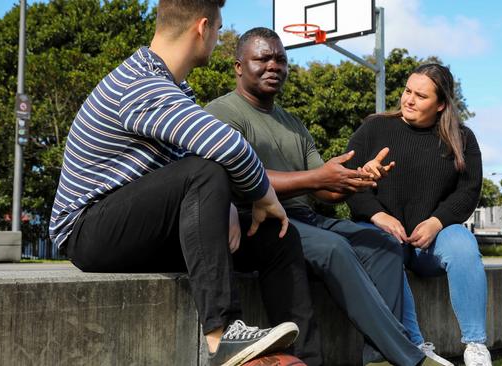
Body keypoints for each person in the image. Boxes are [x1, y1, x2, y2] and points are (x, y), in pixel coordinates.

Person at [48, 1, 316, 365]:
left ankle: (300, 359)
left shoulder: (175, 89)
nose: (219, 38)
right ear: (202, 28)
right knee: (205, 170)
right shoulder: (140, 83)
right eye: (220, 30)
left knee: (276, 236)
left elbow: (187, 168)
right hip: (87, 231)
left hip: (145, 229)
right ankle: (223, 335)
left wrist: (224, 208)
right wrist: (264, 194)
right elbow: (226, 146)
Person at [204, 27, 453, 366]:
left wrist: (354, 180)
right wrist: (317, 177)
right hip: (259, 221)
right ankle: (409, 356)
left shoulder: (292, 122)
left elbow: (322, 188)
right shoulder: (222, 113)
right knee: (334, 248)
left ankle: (379, 357)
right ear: (238, 66)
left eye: (280, 59)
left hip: (305, 217)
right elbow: (238, 176)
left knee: (383, 243)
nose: (274, 66)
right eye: (262, 59)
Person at [345, 63, 492, 366]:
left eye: (420, 96)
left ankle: (476, 347)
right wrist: (376, 215)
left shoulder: (462, 139)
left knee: (463, 244)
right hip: (386, 236)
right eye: (407, 91)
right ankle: (414, 345)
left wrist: (437, 222)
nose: (409, 100)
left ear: (440, 105)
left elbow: (468, 192)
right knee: (383, 248)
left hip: (432, 241)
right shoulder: (374, 127)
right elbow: (347, 180)